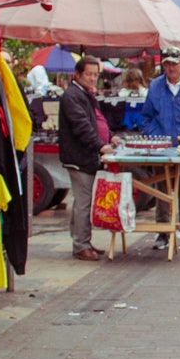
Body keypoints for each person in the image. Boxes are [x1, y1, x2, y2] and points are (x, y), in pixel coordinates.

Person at [138, 44, 180, 247]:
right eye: (167, 64)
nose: (171, 68)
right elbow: (147, 117)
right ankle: (163, 232)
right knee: (163, 190)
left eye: (174, 64)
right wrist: (157, 138)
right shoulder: (155, 86)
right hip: (162, 149)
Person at [56, 53, 109, 260]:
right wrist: (99, 146)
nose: (93, 78)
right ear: (77, 74)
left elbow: (96, 122)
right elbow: (82, 126)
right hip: (79, 158)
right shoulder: (72, 96)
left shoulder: (85, 94)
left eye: (96, 74)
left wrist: (108, 138)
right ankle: (81, 245)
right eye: (89, 74)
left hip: (87, 158)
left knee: (82, 202)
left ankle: (82, 240)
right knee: (83, 203)